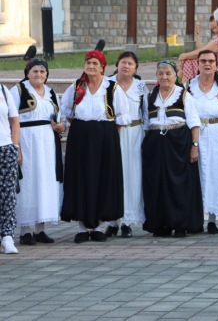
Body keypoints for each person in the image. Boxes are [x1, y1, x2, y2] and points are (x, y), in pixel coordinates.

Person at [60, 51, 131, 243]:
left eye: (95, 63)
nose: (90, 66)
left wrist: (104, 133)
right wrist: (84, 129)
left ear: (102, 67)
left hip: (105, 136)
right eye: (88, 62)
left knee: (102, 178)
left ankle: (98, 226)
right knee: (80, 178)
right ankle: (83, 228)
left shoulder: (111, 88)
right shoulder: (76, 86)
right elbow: (67, 112)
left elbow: (121, 117)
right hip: (80, 136)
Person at [142, 60, 203, 238]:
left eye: (168, 73)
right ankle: (161, 224)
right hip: (155, 144)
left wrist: (194, 147)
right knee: (158, 184)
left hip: (179, 143)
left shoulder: (184, 95)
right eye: (161, 73)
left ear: (175, 76)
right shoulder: (152, 95)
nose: (164, 77)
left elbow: (194, 123)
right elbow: (146, 123)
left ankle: (180, 224)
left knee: (179, 184)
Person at [11, 58, 65, 246]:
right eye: (35, 71)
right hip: (27, 140)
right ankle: (25, 230)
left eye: (42, 72)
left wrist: (60, 127)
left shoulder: (51, 93)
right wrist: (15, 145)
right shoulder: (18, 90)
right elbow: (11, 118)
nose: (39, 75)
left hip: (48, 143)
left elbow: (60, 120)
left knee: (45, 181)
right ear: (28, 73)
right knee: (28, 182)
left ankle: (40, 230)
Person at [186, 50, 218, 234]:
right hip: (196, 136)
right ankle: (196, 218)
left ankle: (212, 219)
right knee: (196, 175)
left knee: (216, 174)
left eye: (211, 61)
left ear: (216, 64)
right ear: (197, 64)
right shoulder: (189, 86)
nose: (207, 64)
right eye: (203, 61)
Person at [104, 52, 148, 238]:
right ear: (117, 64)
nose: (126, 66)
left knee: (132, 176)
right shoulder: (107, 84)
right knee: (113, 175)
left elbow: (145, 112)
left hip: (135, 133)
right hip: (114, 134)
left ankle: (127, 222)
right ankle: (112, 221)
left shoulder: (140, 86)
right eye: (123, 62)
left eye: (130, 63)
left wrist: (146, 135)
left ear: (136, 67)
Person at [178, 8, 218, 81]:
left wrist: (184, 56)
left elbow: (204, 52)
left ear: (216, 22)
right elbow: (203, 51)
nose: (214, 30)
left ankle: (185, 89)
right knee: (190, 61)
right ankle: (179, 87)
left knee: (189, 62)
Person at [0, 80, 20, 254]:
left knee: (7, 196)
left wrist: (14, 146)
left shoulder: (3, 90)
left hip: (5, 149)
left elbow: (14, 120)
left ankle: (7, 236)